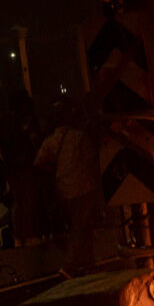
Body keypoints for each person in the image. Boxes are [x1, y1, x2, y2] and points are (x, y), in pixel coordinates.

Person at [34, 98, 101, 276]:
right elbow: (91, 160)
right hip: (84, 186)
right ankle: (68, 266)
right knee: (81, 227)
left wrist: (56, 169)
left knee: (81, 225)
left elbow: (39, 162)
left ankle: (89, 263)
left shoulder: (52, 138)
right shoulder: (79, 136)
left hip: (63, 187)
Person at [0, 90, 45, 248]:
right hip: (27, 166)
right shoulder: (26, 120)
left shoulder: (4, 122)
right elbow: (35, 141)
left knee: (17, 203)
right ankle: (31, 235)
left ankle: (18, 237)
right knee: (30, 202)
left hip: (11, 168)